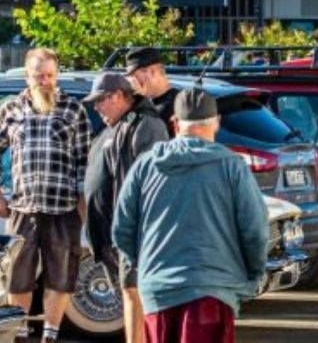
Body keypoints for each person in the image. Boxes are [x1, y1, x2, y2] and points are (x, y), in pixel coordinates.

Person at [112, 87, 269, 343]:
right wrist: (254, 274)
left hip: (158, 290)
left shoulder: (146, 165)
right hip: (213, 290)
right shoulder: (232, 166)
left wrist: (145, 268)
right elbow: (255, 229)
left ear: (174, 123)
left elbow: (122, 230)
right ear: (216, 122)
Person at [0, 48, 91, 343]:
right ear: (28, 75)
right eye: (39, 75)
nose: (45, 80)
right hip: (21, 208)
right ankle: (21, 334)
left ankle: (50, 336)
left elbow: (84, 162)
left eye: (50, 75)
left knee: (61, 278)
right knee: (17, 277)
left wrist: (82, 207)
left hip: (63, 210)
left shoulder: (73, 110)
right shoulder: (10, 109)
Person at [83, 72, 168, 343]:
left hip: (137, 234)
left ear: (119, 96)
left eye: (101, 100)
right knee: (130, 294)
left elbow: (150, 181)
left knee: (137, 293)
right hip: (115, 235)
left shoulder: (147, 125)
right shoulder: (115, 127)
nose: (96, 107)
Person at [124, 47, 179, 136]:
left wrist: (139, 100)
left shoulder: (180, 104)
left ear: (152, 72)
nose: (133, 81)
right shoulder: (144, 103)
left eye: (135, 75)